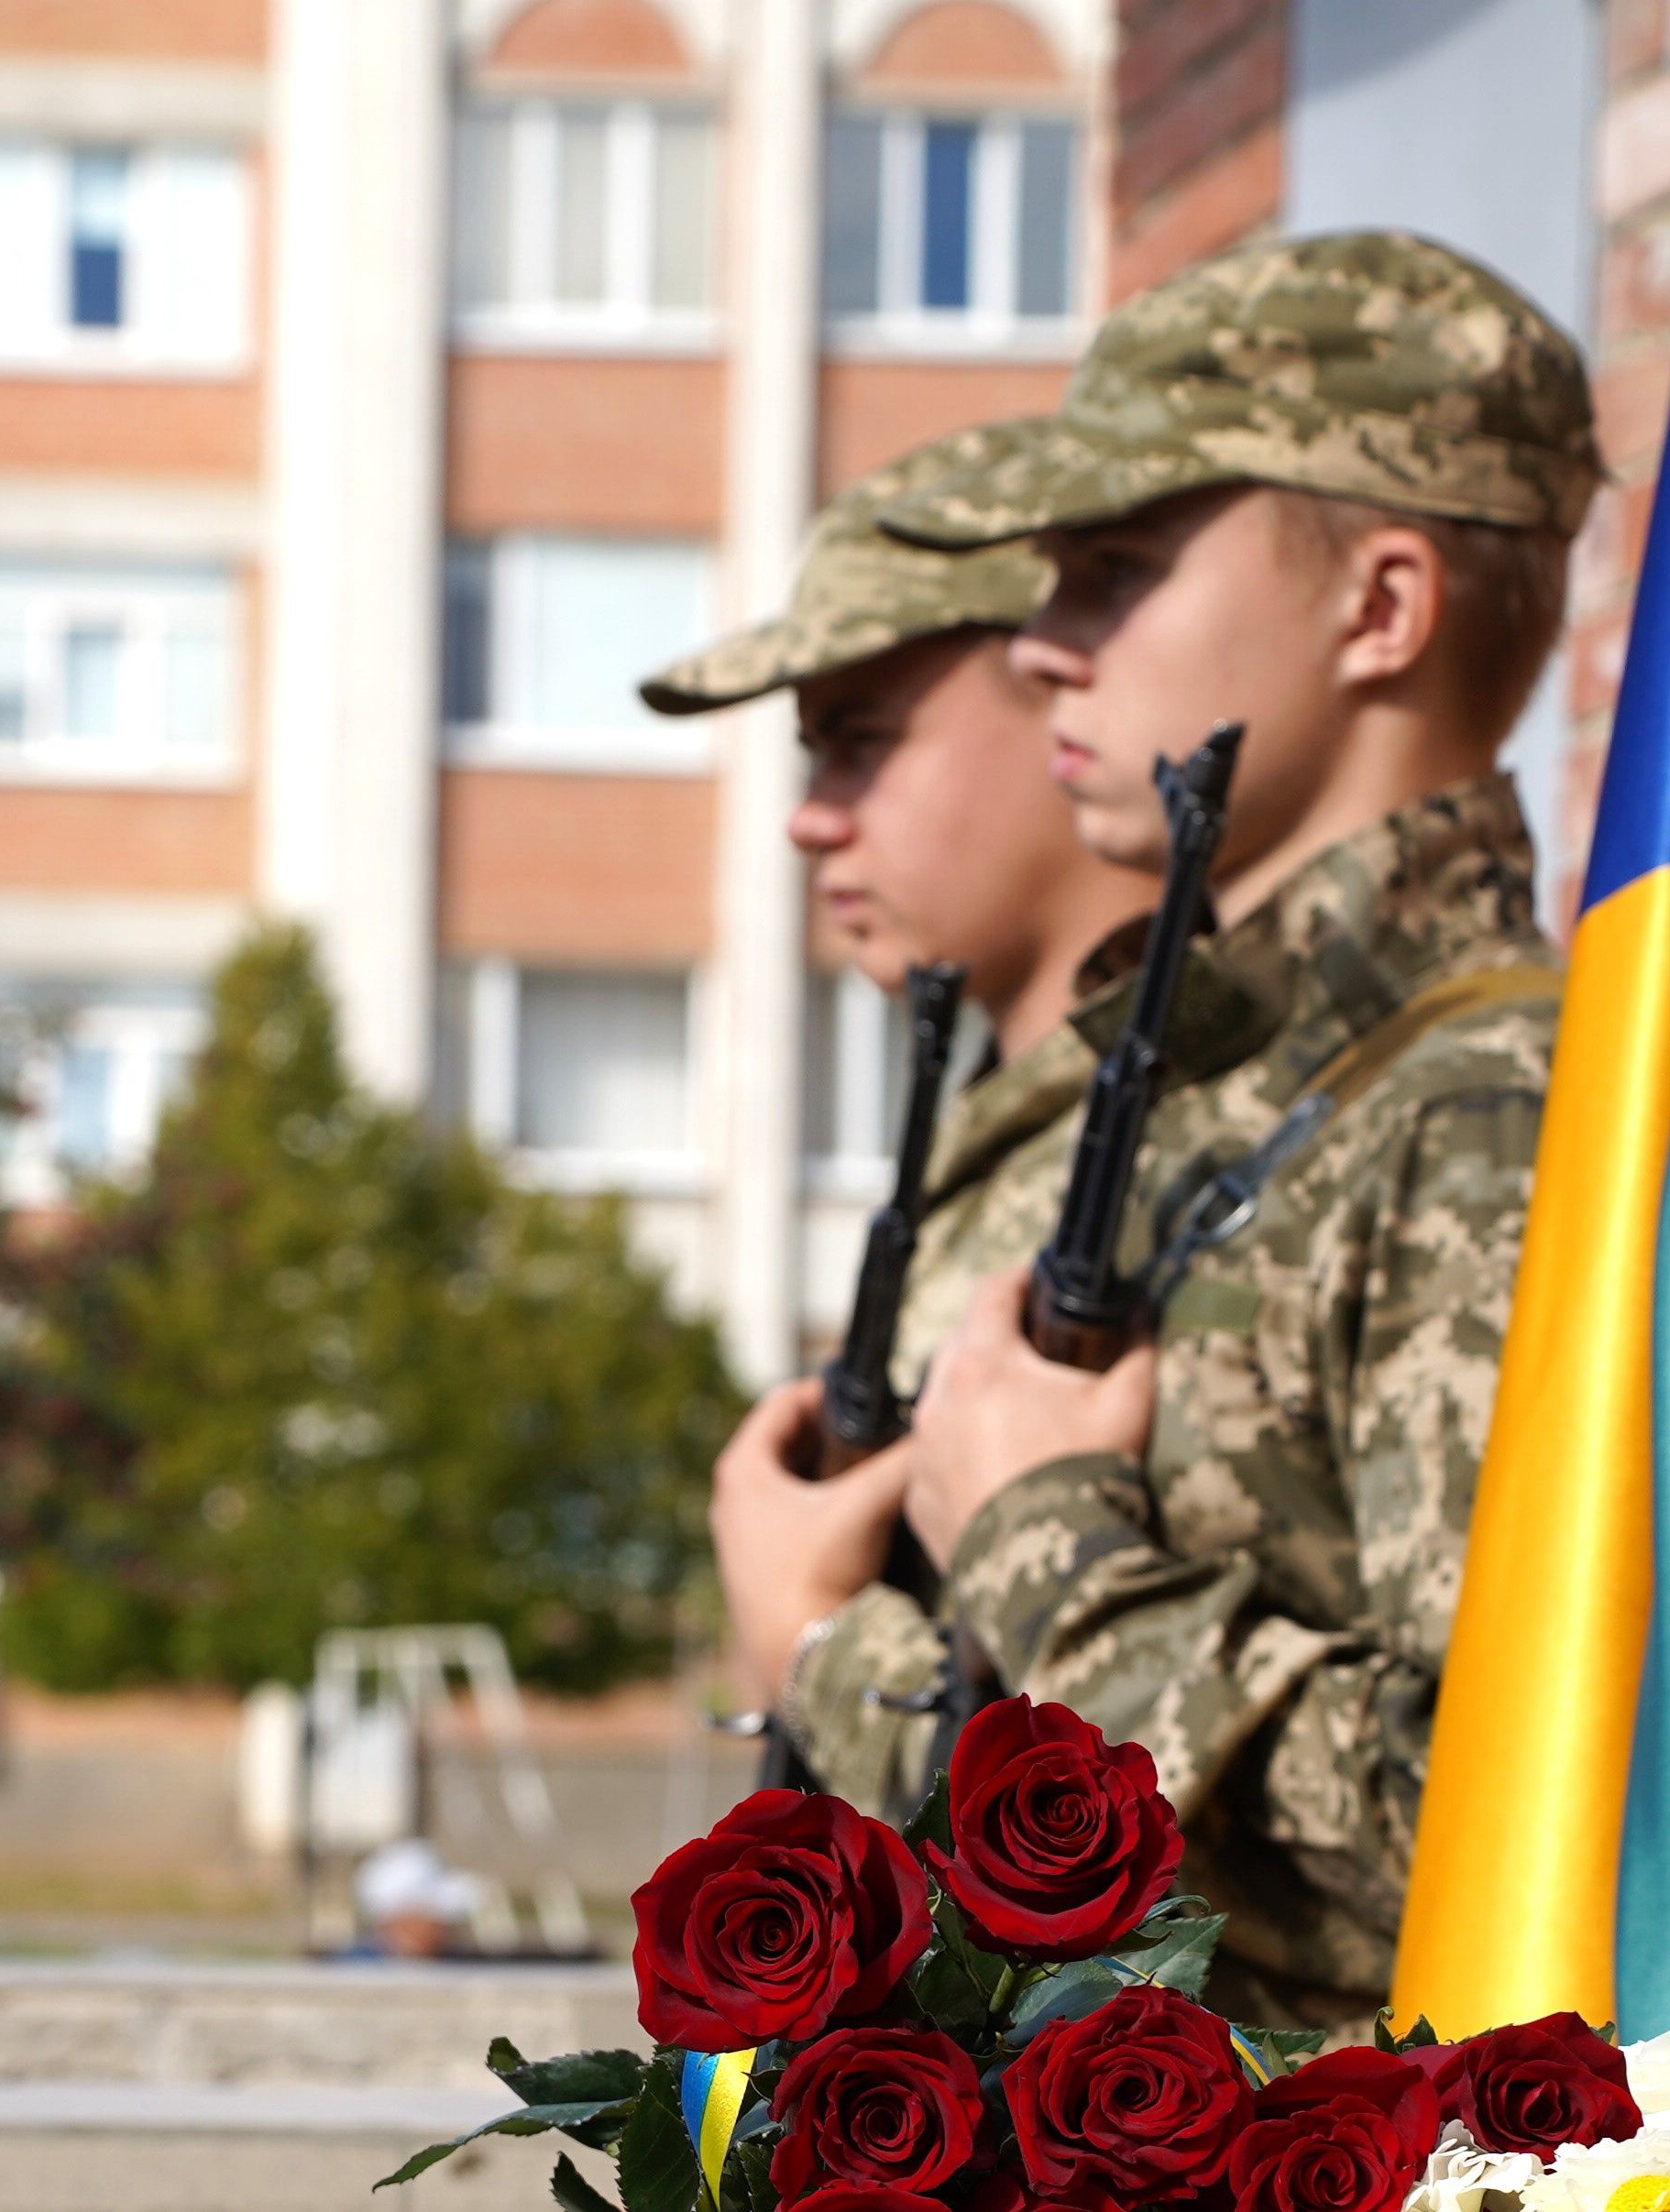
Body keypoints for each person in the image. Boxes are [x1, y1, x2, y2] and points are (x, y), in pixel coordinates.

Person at [728, 231, 1598, 2029]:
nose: (1045, 651)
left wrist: (1027, 1551)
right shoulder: (1247, 1096)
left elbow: (1511, 1845)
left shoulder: (1489, 1122)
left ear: (1382, 607)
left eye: (1117, 572)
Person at [647, 435, 1163, 1725]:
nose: (810, 817)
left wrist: (819, 1647)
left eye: (863, 745)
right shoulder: (988, 1122)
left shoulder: (1216, 1134)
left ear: (1066, 709)